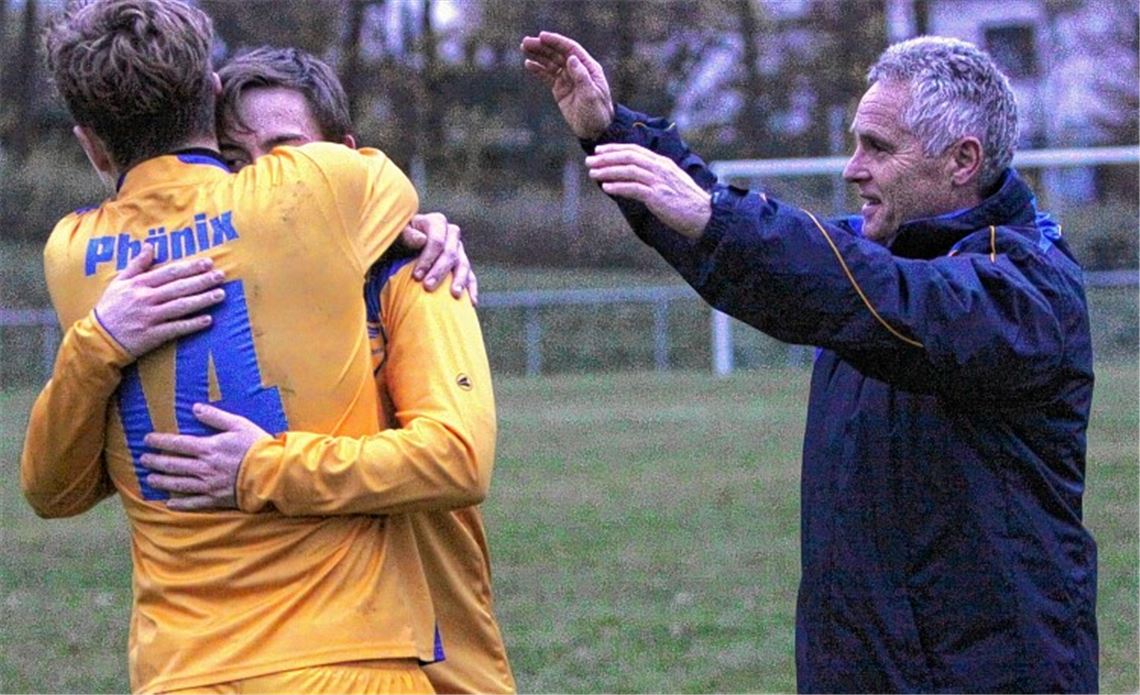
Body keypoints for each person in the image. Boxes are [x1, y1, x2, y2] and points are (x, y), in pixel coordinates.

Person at [522, 31, 1098, 693]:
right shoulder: (873, 258)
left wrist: (716, 217)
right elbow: (754, 250)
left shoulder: (1026, 287)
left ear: (962, 160)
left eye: (878, 148)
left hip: (987, 673)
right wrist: (612, 131)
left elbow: (885, 294)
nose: (853, 168)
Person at [21, 1, 448, 691]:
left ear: (91, 145)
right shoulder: (328, 186)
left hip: (183, 667)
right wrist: (433, 228)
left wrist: (98, 342)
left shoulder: (72, 256)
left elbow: (55, 489)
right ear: (215, 94)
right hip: (344, 656)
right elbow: (397, 207)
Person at [133, 46, 514, 695]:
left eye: (286, 151)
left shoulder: (414, 276)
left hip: (436, 668)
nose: (262, 177)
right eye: (234, 159)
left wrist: (263, 469)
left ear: (342, 154)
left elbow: (457, 458)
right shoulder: (210, 300)